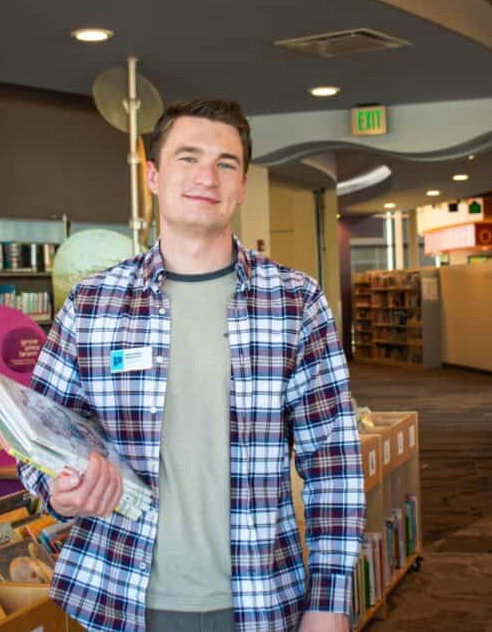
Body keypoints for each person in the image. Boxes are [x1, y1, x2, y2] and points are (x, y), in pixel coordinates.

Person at [18, 98, 364, 632]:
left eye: (226, 163)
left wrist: (330, 603)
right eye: (188, 157)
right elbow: (37, 438)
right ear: (153, 176)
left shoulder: (296, 301)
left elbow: (334, 463)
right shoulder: (91, 304)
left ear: (242, 185)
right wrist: (58, 491)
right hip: (117, 597)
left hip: (260, 599)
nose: (207, 176)